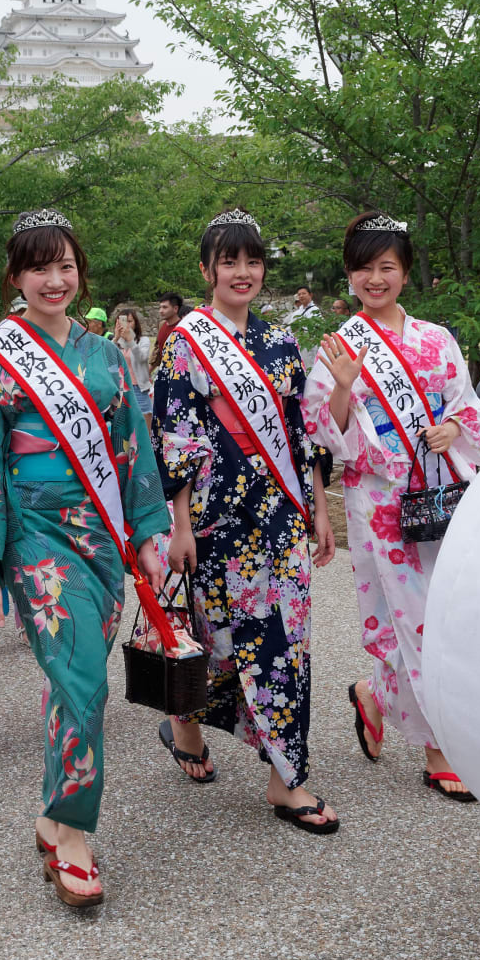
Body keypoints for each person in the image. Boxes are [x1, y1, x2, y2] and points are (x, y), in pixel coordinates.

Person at [0, 208, 171, 908]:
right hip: (36, 537)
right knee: (80, 679)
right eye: (41, 267)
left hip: (102, 537)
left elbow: (133, 446)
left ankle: (50, 811)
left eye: (66, 265)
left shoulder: (104, 355)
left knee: (80, 677)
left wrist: (149, 534)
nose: (55, 279)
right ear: (17, 277)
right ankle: (73, 833)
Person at [152, 209, 339, 832]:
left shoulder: (281, 342)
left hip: (280, 516)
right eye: (227, 261)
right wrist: (178, 525)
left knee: (286, 643)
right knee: (217, 640)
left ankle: (286, 781)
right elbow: (176, 438)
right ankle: (184, 725)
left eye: (251, 260)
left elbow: (303, 429)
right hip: (214, 518)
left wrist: (315, 508)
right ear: (206, 269)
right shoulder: (185, 340)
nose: (241, 272)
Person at [303, 210, 480, 802]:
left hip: (438, 491)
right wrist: (340, 385)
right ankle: (438, 746)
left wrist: (454, 429)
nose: (374, 279)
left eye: (386, 267)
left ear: (405, 272)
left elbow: (467, 405)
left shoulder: (437, 339)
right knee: (417, 619)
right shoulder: (340, 345)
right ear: (350, 276)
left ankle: (376, 694)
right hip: (380, 504)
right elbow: (323, 431)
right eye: (363, 269)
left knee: (446, 613)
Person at [111, 308, 153, 418]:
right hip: (120, 387)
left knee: (143, 419)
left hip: (138, 387)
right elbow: (107, 357)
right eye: (123, 321)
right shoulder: (116, 342)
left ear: (136, 323)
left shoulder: (143, 340)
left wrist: (130, 341)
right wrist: (116, 337)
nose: (127, 324)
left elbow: (141, 359)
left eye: (130, 321)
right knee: (123, 422)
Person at [151, 292, 186, 379]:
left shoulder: (183, 328)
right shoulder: (161, 325)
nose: (160, 311)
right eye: (160, 307)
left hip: (180, 375)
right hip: (163, 373)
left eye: (165, 307)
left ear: (175, 308)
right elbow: (158, 351)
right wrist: (148, 371)